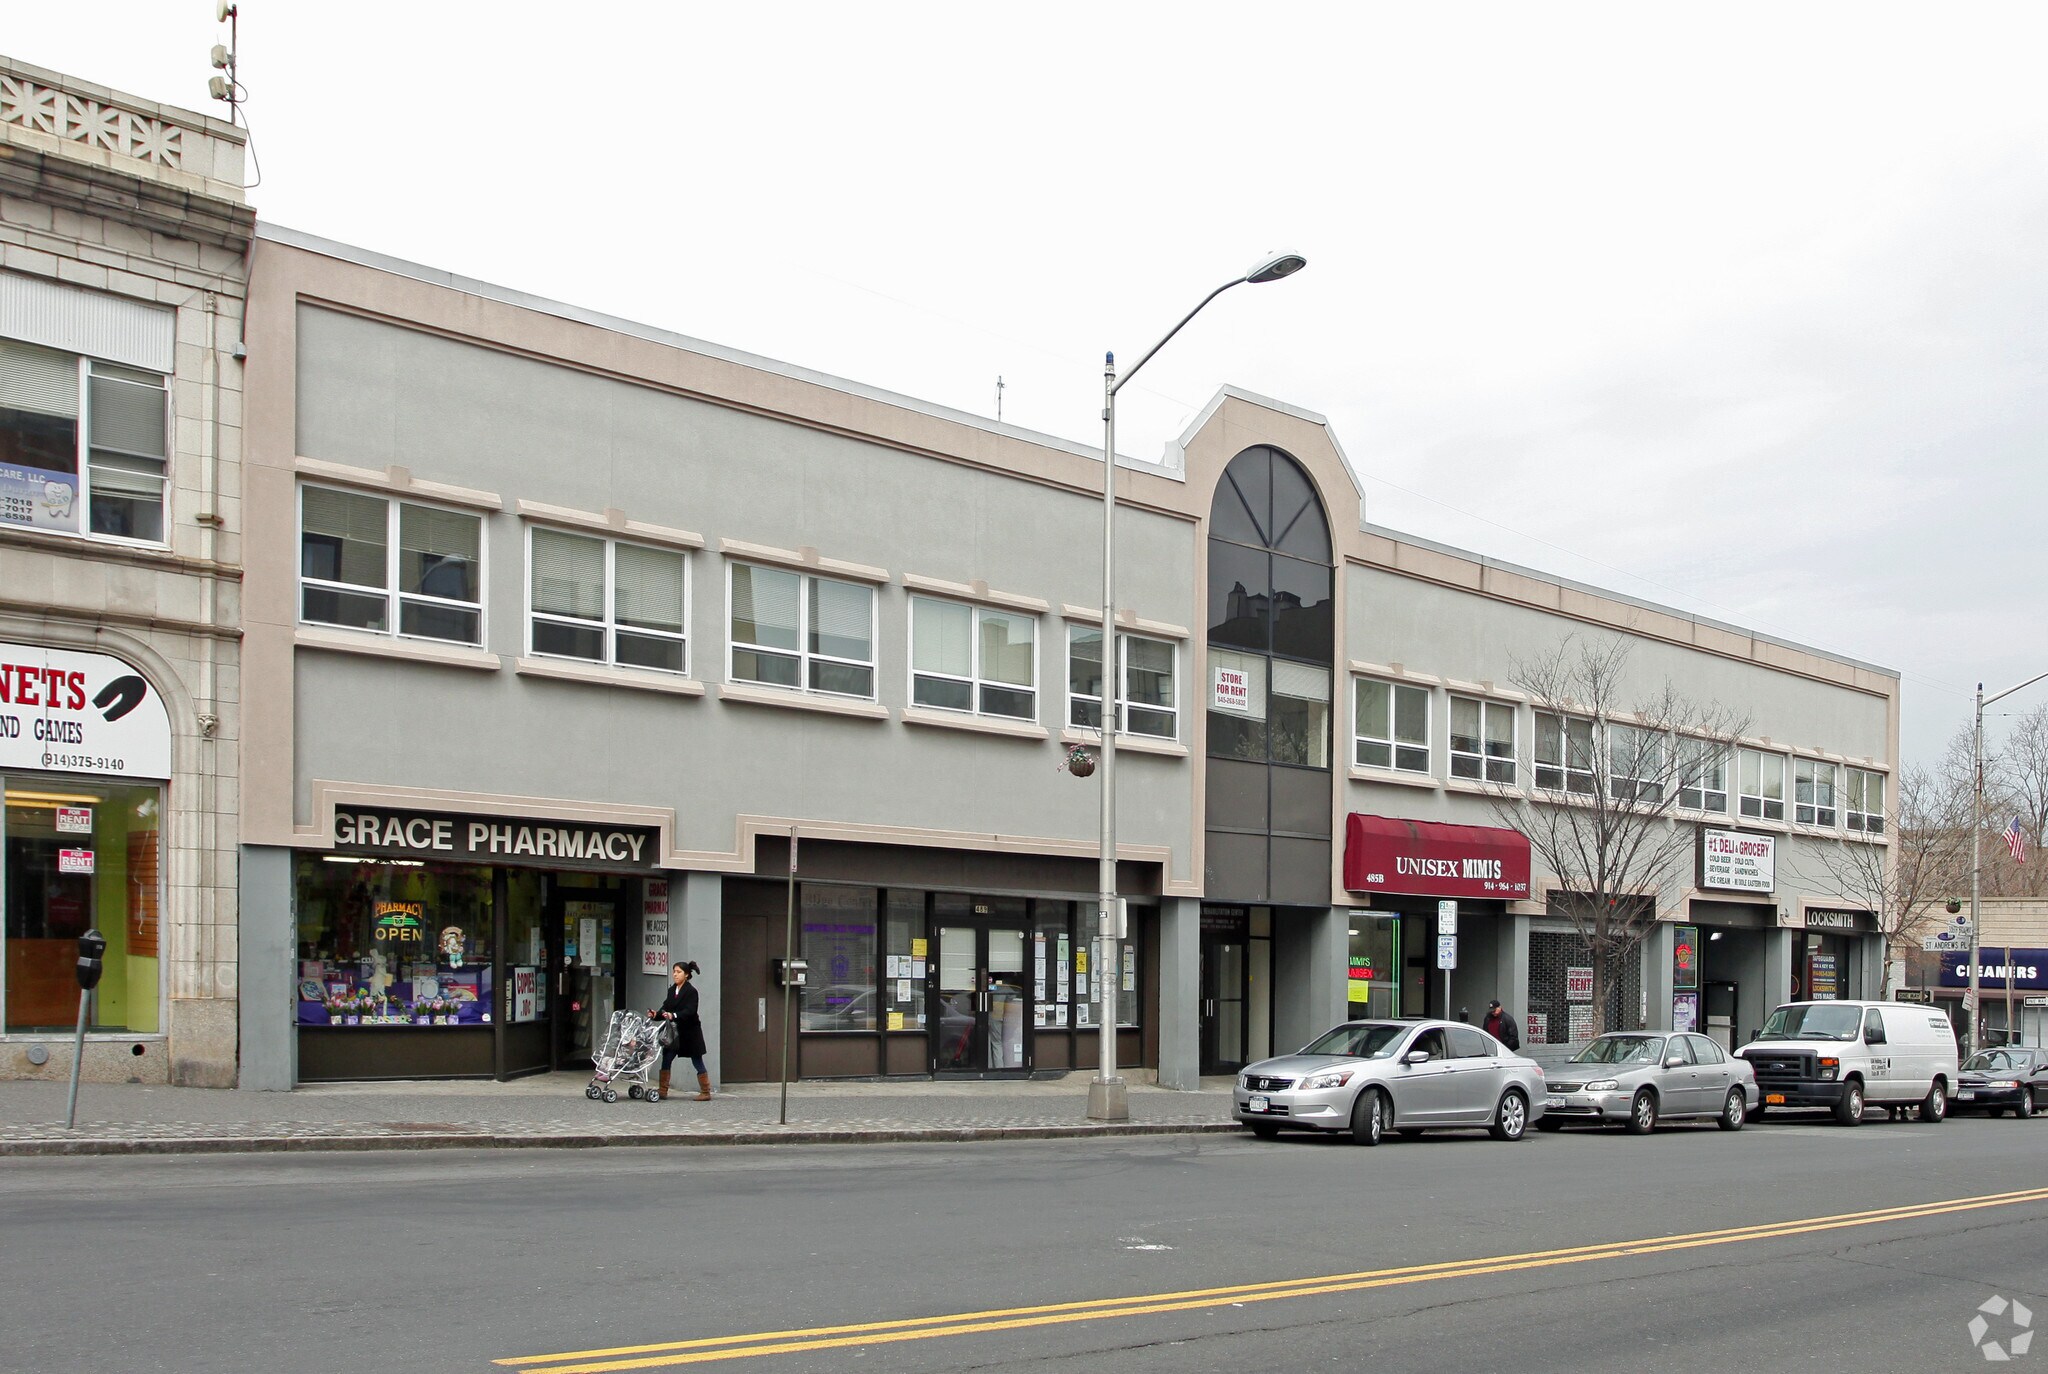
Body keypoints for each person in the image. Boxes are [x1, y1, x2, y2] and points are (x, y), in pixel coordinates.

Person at [651, 960, 711, 1101]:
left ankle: (706, 1091)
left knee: (697, 1059)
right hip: (674, 1033)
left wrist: (674, 1015)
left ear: (686, 975)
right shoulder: (672, 990)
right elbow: (666, 1007)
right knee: (667, 1057)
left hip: (690, 1032)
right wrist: (656, 1014)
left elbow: (690, 1011)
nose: (675, 975)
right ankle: (663, 1090)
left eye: (679, 972)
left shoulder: (691, 991)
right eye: (674, 972)